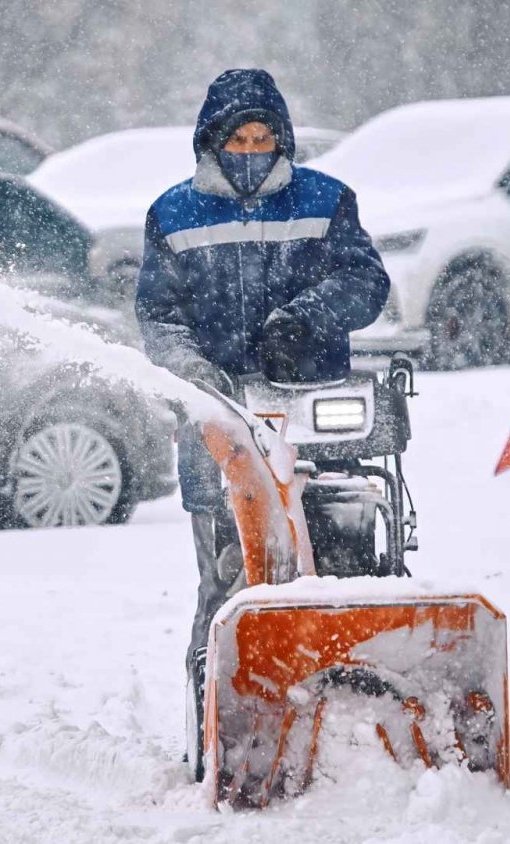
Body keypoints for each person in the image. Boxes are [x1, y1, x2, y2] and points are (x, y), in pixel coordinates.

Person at [133, 68, 390, 779]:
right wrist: (197, 376)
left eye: (262, 138)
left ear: (282, 140)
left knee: (347, 567)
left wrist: (304, 320)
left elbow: (366, 281)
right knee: (225, 584)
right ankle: (216, 739)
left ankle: (356, 729)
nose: (251, 151)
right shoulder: (173, 215)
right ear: (211, 142)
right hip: (220, 425)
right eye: (238, 139)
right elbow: (159, 317)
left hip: (313, 414)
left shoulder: (326, 201)